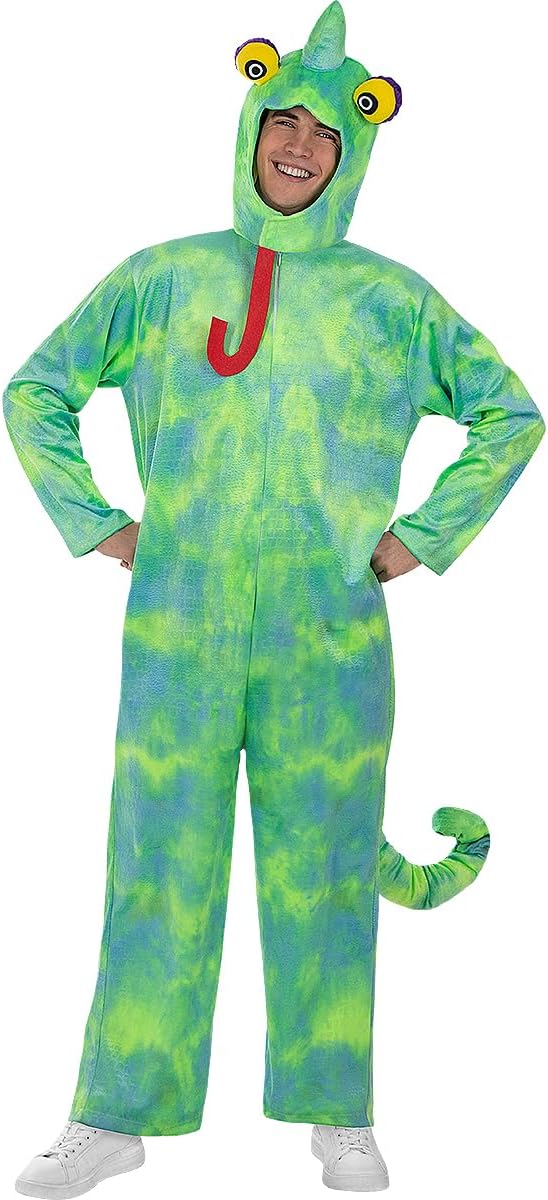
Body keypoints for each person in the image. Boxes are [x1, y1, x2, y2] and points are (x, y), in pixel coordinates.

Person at [5, 3, 544, 1196]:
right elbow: (35, 389)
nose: (298, 147)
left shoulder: (390, 301)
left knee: (324, 870)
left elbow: (510, 414)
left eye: (323, 133)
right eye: (281, 122)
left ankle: (335, 1110)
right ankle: (115, 1114)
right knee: (156, 865)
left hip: (328, 637)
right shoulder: (162, 278)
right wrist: (96, 521)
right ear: (248, 126)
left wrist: (418, 540)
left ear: (355, 152)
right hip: (178, 629)